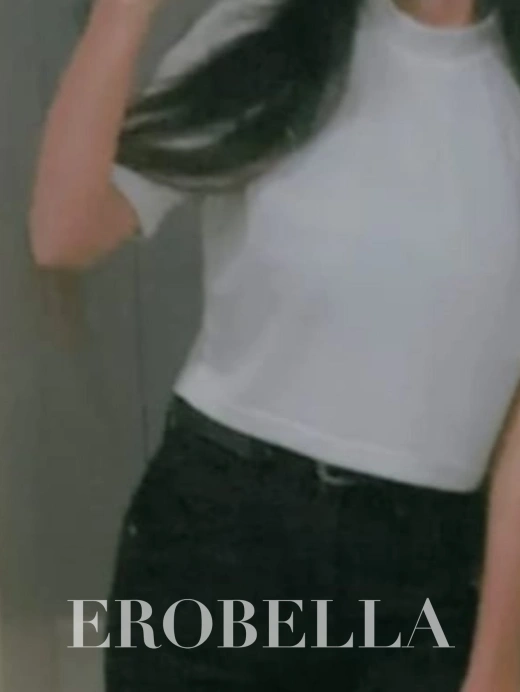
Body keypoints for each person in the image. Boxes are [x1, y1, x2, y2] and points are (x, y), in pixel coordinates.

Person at [30, 0, 520, 689]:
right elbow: (65, 231)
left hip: (421, 572)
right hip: (220, 533)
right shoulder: (265, 27)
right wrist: (123, 15)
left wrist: (499, 665)